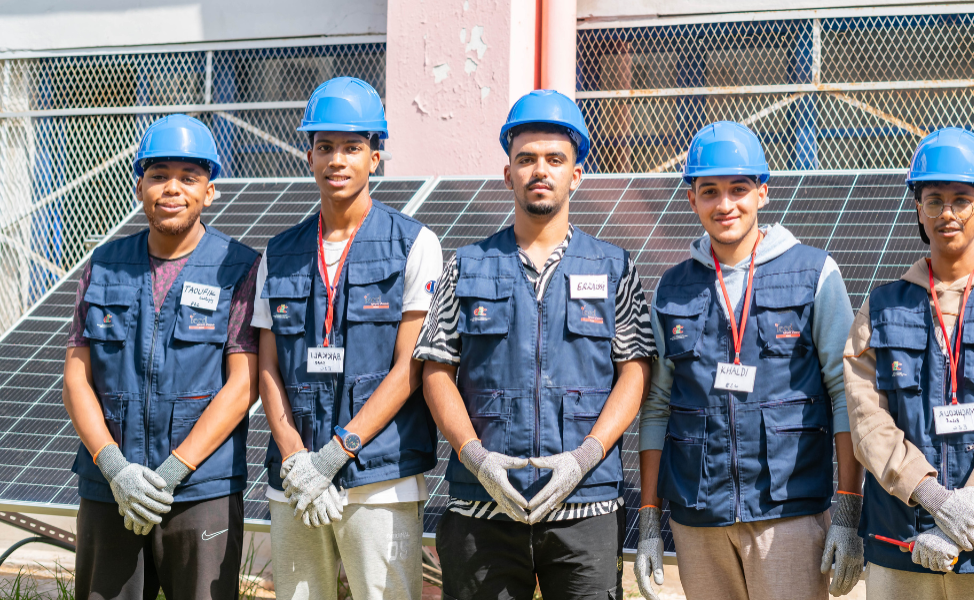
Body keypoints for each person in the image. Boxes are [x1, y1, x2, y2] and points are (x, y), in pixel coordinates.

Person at [415, 89, 656, 600]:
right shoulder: (465, 266)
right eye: (525, 159)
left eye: (554, 159)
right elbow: (436, 369)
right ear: (508, 174)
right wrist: (477, 458)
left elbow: (634, 372)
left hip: (584, 508)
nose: (539, 170)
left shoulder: (615, 268)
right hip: (483, 506)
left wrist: (583, 458)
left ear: (577, 174)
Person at [633, 121, 864, 600]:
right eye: (710, 191)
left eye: (738, 189)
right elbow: (657, 406)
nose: (725, 205)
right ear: (691, 198)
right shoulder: (671, 289)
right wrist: (651, 518)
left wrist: (846, 510)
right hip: (700, 520)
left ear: (763, 191)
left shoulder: (814, 273)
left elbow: (845, 392)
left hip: (789, 517)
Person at [844, 127, 974, 599]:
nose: (946, 213)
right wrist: (934, 500)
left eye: (961, 199)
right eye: (933, 198)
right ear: (916, 209)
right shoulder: (879, 308)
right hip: (903, 545)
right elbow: (867, 423)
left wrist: (962, 522)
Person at [255, 76, 443, 600]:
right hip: (294, 480)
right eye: (325, 147)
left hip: (380, 478)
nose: (338, 159)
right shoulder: (281, 250)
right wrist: (295, 456)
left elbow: (410, 365)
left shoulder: (415, 244)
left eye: (353, 148)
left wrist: (337, 453)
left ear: (375, 157)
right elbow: (268, 364)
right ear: (308, 157)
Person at [62, 114, 260, 599]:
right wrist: (114, 467)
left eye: (189, 178)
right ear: (140, 187)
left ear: (209, 191)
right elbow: (76, 379)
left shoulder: (239, 268)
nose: (172, 189)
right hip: (110, 486)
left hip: (202, 489)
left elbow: (242, 386)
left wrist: (174, 469)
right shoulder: (104, 265)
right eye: (158, 176)